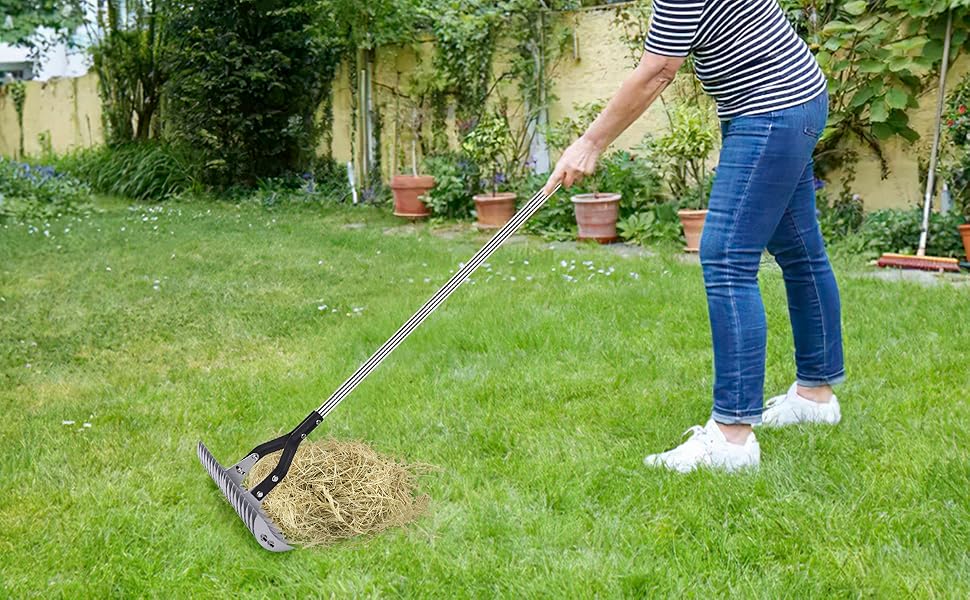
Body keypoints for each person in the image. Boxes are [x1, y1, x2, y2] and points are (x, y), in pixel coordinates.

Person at [543, 0, 845, 472]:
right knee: (800, 249)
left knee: (726, 257)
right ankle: (815, 396)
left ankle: (731, 440)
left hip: (771, 109)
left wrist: (590, 143)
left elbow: (658, 70)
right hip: (794, 99)